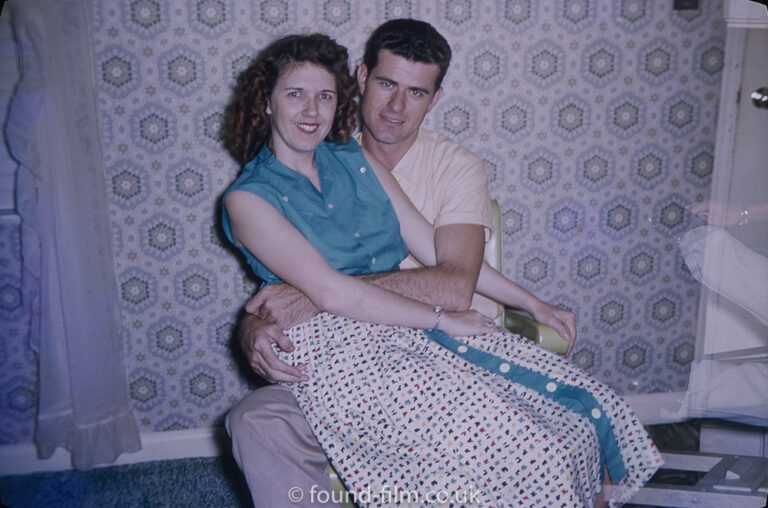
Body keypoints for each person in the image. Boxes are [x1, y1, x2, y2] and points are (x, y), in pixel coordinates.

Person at [221, 28, 662, 507]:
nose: (311, 111)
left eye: (324, 95)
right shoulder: (248, 198)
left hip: (405, 334)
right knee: (508, 450)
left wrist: (528, 300)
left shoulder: (354, 158)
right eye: (295, 95)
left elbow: (438, 251)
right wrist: (442, 317)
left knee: (575, 415)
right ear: (266, 101)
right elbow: (332, 295)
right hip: (341, 348)